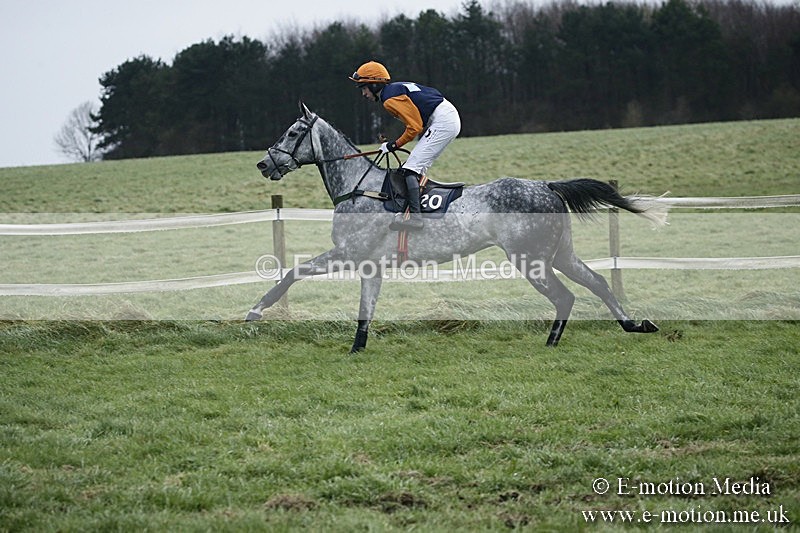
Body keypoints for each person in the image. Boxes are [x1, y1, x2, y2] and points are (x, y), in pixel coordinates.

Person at [349, 61, 461, 231]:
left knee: (411, 169)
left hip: (443, 121)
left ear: (374, 84)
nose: (363, 93)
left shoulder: (389, 99)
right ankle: (416, 210)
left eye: (364, 88)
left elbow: (415, 128)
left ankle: (415, 218)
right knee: (414, 168)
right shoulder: (392, 90)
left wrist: (394, 145)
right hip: (444, 117)